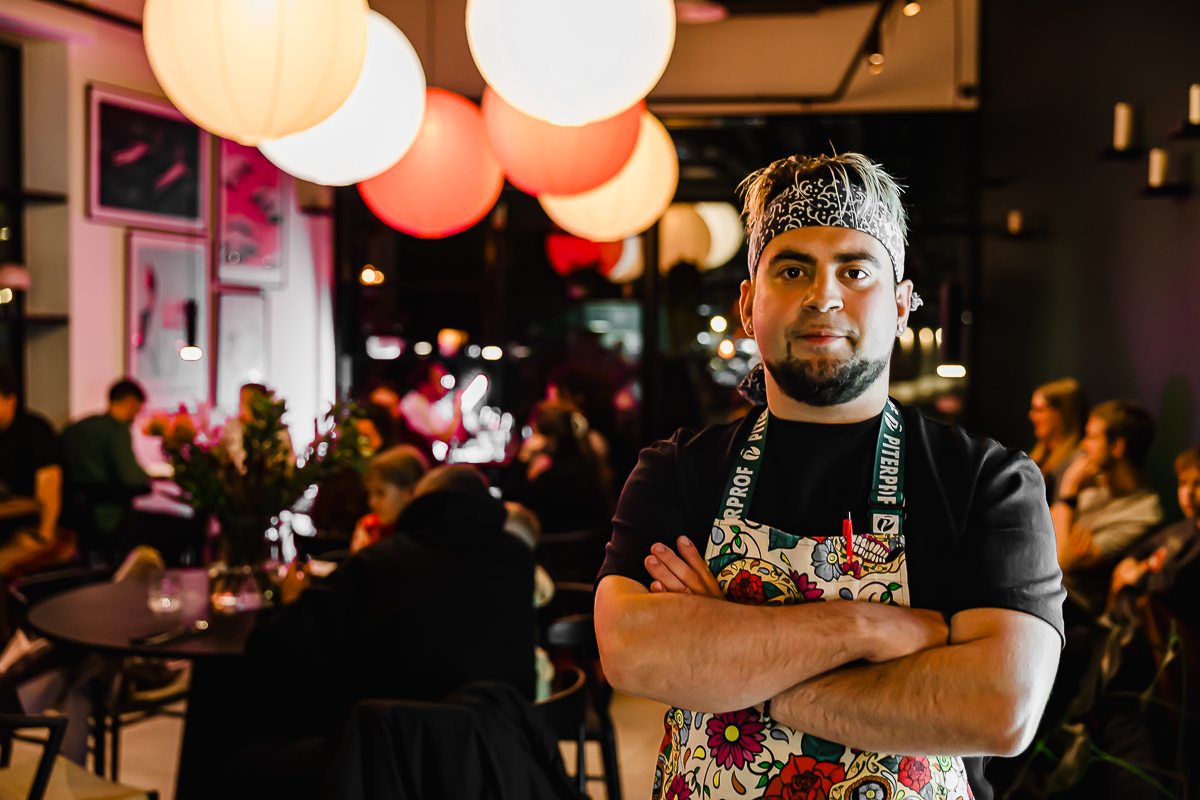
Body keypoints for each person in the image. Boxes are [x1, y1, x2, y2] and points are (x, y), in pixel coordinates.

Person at [593, 153, 1064, 800]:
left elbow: (1000, 707)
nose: (824, 296)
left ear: (902, 305)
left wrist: (735, 667)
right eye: (792, 270)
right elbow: (632, 653)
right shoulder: (675, 471)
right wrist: (865, 630)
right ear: (748, 306)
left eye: (855, 270)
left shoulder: (987, 481)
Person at [243, 464, 535, 745]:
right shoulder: (517, 558)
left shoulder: (381, 563)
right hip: (503, 750)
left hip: (396, 752)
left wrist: (292, 600)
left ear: (418, 504)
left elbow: (274, 644)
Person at [1052, 399, 1162, 614]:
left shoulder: (1144, 515)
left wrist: (1067, 494)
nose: (1083, 446)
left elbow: (1060, 561)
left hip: (1074, 609)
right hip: (1041, 588)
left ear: (1117, 447)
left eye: (1092, 437)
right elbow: (1039, 533)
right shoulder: (1091, 482)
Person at [1107, 446, 1200, 627]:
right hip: (1124, 618)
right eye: (1183, 483)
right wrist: (1130, 562)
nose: (1188, 492)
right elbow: (1143, 547)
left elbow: (1172, 585)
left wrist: (1137, 578)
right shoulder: (1181, 528)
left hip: (1154, 631)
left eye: (1198, 484)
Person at [61, 379, 151, 552]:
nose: (136, 417)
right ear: (131, 402)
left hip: (73, 518)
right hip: (109, 517)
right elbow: (132, 478)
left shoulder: (75, 428)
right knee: (179, 529)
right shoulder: (116, 430)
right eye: (138, 409)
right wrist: (147, 479)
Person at [506, 400, 611, 535]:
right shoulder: (590, 465)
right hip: (591, 545)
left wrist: (523, 458)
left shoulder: (550, 477)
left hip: (551, 544)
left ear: (547, 439)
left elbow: (512, 502)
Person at [0, 366, 63, 549]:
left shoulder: (35, 431)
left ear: (11, 401)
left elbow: (50, 489)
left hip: (30, 530)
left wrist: (43, 537)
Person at [348, 445, 427, 554]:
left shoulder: (426, 534)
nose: (371, 502)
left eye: (381, 493)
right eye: (370, 493)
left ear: (411, 492)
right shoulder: (370, 529)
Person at [1028, 377, 1088, 500]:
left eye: (1038, 410)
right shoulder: (1040, 458)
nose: (1031, 416)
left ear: (1061, 414)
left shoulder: (1078, 462)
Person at [218, 383, 294, 474]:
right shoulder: (231, 428)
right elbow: (220, 457)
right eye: (243, 401)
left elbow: (288, 463)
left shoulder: (276, 432)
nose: (245, 406)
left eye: (252, 402)